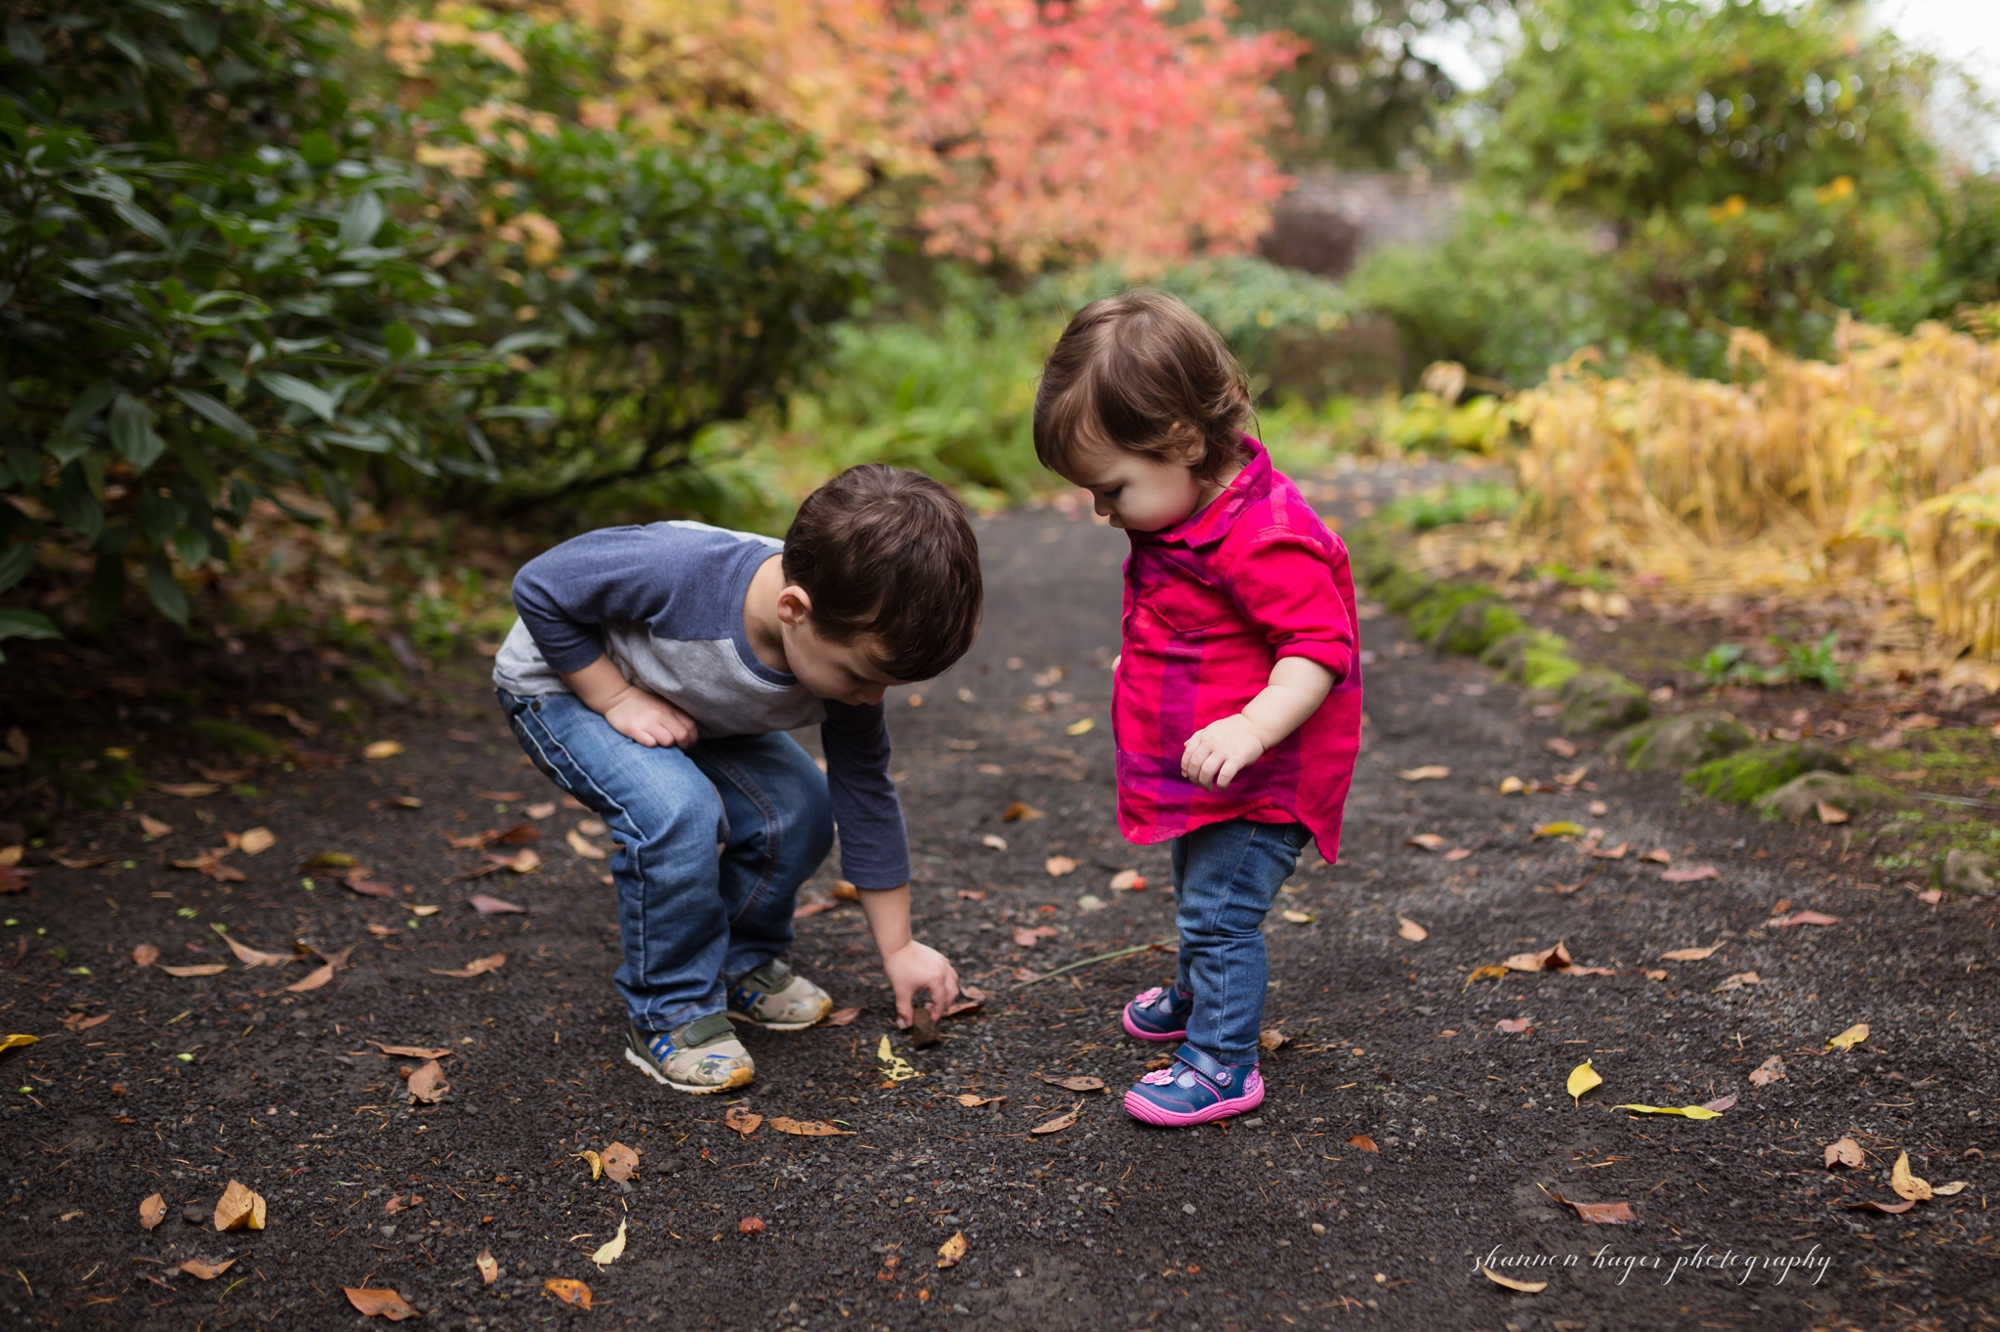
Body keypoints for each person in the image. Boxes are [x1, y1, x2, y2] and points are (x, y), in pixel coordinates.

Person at [491, 465, 979, 1094]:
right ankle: (668, 1009)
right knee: (677, 809)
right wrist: (613, 696)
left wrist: (900, 948)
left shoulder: (844, 637)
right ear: (793, 610)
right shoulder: (679, 570)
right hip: (564, 685)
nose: (869, 698)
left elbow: (866, 797)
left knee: (802, 806)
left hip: (685, 706)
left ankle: (736, 959)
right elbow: (540, 586)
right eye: (860, 677)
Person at [1032, 290, 1362, 1127]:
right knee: (1198, 882)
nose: (1103, 512)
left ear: (1181, 441)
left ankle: (1222, 1060)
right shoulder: (1188, 511)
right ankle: (1197, 989)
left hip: (1265, 775)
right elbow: (1188, 614)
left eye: (1111, 488)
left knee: (1221, 910)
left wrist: (1253, 725)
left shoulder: (1264, 536)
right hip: (1214, 770)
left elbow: (1318, 648)